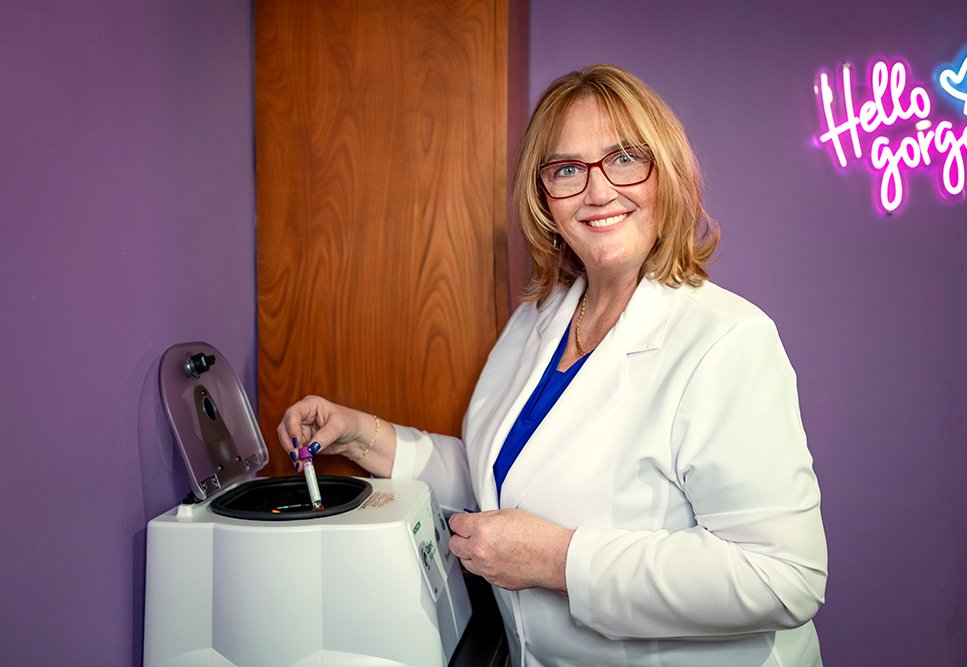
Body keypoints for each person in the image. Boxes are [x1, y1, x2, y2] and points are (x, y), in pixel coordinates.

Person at [278, 64, 827, 666]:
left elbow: (781, 576)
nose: (597, 191)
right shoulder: (538, 320)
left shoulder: (727, 341)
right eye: (567, 169)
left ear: (664, 174)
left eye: (623, 158)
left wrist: (560, 561)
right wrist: (361, 435)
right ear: (544, 198)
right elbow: (501, 478)